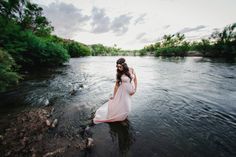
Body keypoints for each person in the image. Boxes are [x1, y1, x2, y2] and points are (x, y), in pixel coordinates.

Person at [93, 58, 138, 124]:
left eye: (120, 66)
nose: (119, 68)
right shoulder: (119, 73)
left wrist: (135, 89)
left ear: (124, 65)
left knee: (125, 105)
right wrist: (114, 95)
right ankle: (121, 118)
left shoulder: (131, 69)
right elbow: (116, 85)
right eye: (117, 67)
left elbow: (135, 80)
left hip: (130, 90)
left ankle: (124, 117)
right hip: (122, 91)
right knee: (127, 106)